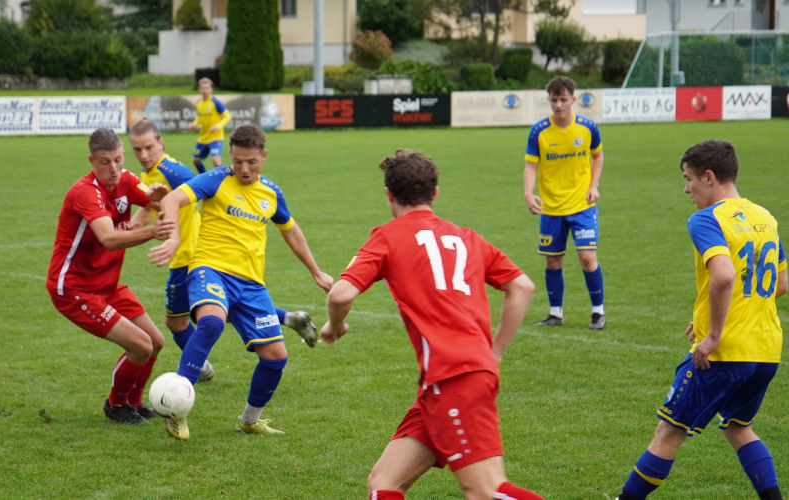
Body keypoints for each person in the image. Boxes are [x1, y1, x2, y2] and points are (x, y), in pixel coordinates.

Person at [320, 150, 545, 500]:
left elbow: (339, 295)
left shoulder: (387, 236)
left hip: (454, 376)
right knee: (384, 483)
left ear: (389, 195)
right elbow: (522, 286)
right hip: (444, 382)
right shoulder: (467, 238)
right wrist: (495, 351)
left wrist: (333, 327)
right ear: (435, 193)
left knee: (486, 491)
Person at [613, 139, 786, 500]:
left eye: (689, 179)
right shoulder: (764, 217)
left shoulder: (707, 219)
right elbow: (781, 283)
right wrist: (712, 312)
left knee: (667, 434)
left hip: (724, 353)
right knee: (739, 428)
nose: (686, 188)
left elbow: (724, 276)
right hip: (766, 350)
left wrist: (714, 333)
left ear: (709, 177)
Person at [149, 123, 334, 440]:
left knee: (276, 357)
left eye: (251, 161)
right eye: (237, 161)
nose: (244, 169)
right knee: (211, 323)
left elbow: (290, 230)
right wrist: (176, 234)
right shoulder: (217, 179)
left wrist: (315, 270)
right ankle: (176, 406)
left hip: (250, 284)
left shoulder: (271, 193)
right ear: (230, 157)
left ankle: (249, 421)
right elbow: (171, 200)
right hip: (210, 269)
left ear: (264, 155)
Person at [127, 119, 320, 388]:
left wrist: (174, 234)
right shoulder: (152, 173)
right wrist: (134, 225)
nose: (143, 154)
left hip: (193, 256)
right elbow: (156, 204)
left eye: (148, 147)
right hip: (196, 258)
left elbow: (186, 194)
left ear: (161, 143)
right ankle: (284, 318)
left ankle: (200, 374)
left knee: (186, 319)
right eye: (137, 149)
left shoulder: (174, 171)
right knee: (203, 315)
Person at [46, 128, 174, 425]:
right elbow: (108, 238)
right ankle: (115, 405)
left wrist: (161, 201)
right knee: (140, 346)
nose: (113, 168)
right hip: (74, 289)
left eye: (117, 160)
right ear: (92, 161)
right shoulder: (85, 192)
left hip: (106, 284)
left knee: (155, 341)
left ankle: (135, 402)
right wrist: (151, 230)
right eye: (105, 162)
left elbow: (157, 203)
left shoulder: (127, 179)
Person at [523, 76, 607, 330]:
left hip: (582, 206)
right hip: (551, 208)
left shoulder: (587, 127)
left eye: (563, 99)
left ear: (573, 99)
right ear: (548, 100)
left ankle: (598, 312)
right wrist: (529, 193)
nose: (558, 105)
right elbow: (530, 165)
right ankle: (555, 314)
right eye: (553, 100)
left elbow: (598, 156)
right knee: (552, 261)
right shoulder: (539, 131)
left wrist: (593, 186)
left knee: (587, 258)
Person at [190, 77, 232, 174]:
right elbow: (199, 117)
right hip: (203, 138)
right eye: (203, 88)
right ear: (199, 89)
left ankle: (224, 179)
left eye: (207, 88)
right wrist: (195, 124)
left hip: (215, 137)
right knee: (195, 161)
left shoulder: (215, 102)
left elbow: (227, 116)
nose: (205, 90)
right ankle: (204, 177)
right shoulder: (198, 103)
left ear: (211, 89)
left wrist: (218, 126)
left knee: (216, 161)